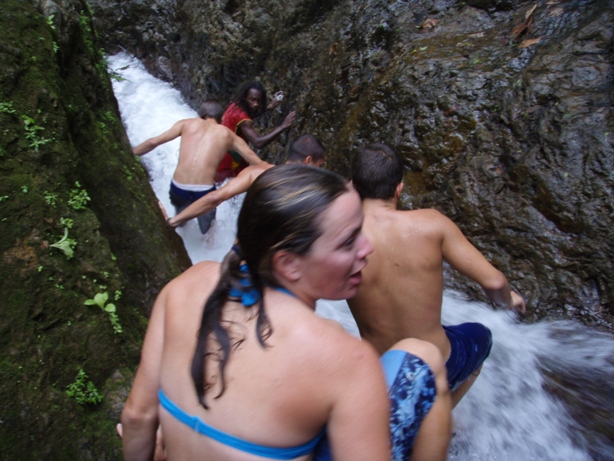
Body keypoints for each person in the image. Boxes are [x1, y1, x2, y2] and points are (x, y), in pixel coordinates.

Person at [120, 165, 451, 461]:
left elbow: (136, 416)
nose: (368, 248)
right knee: (424, 355)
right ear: (288, 263)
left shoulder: (184, 286)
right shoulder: (345, 360)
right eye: (348, 241)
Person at [349, 143, 526, 407]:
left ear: (352, 187)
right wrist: (508, 301)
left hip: (381, 373)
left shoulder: (341, 238)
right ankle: (439, 415)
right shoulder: (431, 224)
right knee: (481, 337)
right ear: (399, 189)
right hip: (438, 365)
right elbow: (495, 281)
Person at [132, 100, 264, 234]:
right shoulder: (228, 135)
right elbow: (259, 163)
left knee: (180, 221)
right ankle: (207, 242)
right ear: (222, 118)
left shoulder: (186, 123)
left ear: (201, 115)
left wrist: (129, 154)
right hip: (204, 192)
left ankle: (177, 231)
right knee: (208, 230)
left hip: (179, 188)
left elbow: (153, 142)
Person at [165, 134, 325, 228]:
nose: (319, 171)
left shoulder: (256, 172)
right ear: (308, 160)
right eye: (319, 166)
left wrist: (174, 221)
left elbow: (215, 198)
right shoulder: (311, 192)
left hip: (243, 253)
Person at [215, 81, 296, 181]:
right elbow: (258, 142)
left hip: (220, 154)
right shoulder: (242, 118)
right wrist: (283, 126)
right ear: (245, 97)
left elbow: (245, 117)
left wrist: (268, 107)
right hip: (230, 161)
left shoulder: (235, 105)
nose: (256, 104)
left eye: (259, 100)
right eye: (252, 100)